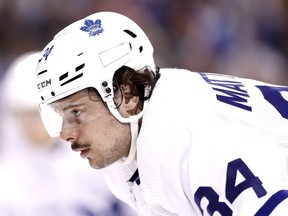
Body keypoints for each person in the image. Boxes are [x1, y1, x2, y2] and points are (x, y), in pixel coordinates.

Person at [34, 11, 288, 215]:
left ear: (128, 95)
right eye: (59, 114)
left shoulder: (196, 142)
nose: (66, 134)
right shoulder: (135, 136)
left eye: (76, 112)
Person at [0, 51, 137, 216]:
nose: (29, 124)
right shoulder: (8, 179)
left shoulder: (96, 156)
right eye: (21, 114)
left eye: (35, 114)